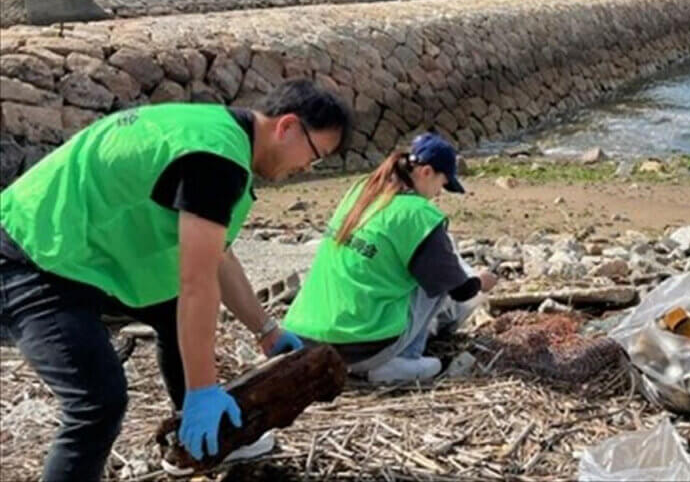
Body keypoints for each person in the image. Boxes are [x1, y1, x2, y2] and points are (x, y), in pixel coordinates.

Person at [0, 78, 351, 480]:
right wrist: (204, 388)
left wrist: (266, 329)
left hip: (82, 253)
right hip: (29, 256)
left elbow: (217, 254)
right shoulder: (216, 159)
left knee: (170, 311)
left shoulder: (218, 134)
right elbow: (197, 283)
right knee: (97, 403)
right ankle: (197, 410)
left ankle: (198, 439)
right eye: (315, 155)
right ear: (287, 127)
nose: (307, 168)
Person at [283, 133, 497, 384]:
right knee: (435, 276)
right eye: (442, 184)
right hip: (358, 348)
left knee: (416, 262)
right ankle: (404, 359)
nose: (438, 194)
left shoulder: (363, 190)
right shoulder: (418, 214)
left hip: (303, 337)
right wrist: (481, 282)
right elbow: (459, 290)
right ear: (426, 172)